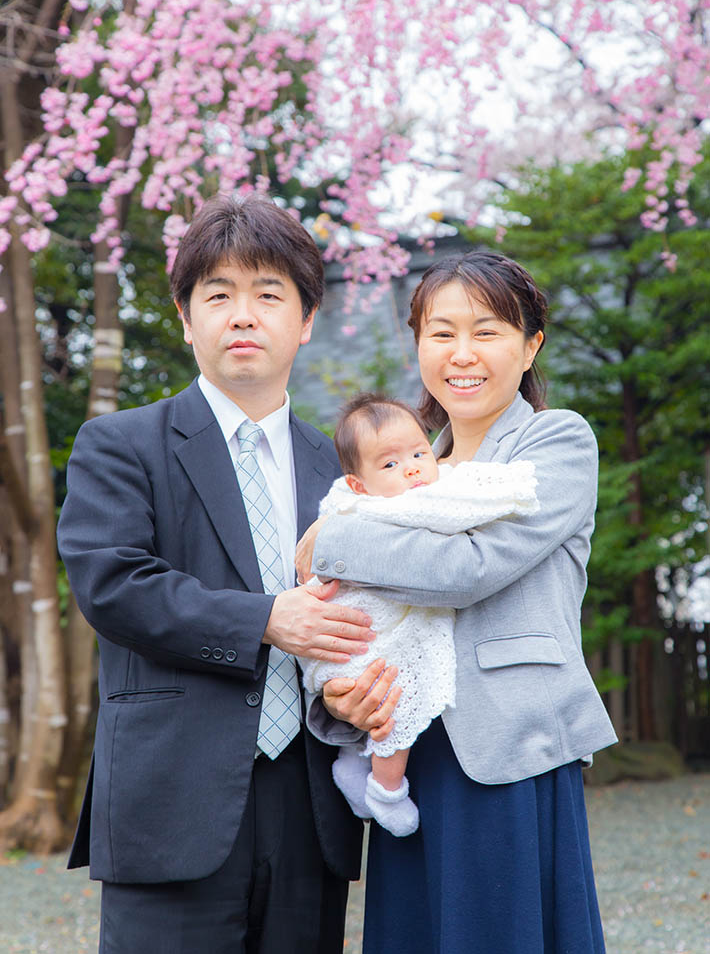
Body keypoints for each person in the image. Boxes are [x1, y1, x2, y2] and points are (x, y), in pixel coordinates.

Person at [56, 193, 377, 954]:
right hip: (171, 800)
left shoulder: (341, 467)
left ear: (304, 320)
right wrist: (265, 618)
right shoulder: (121, 445)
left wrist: (365, 687)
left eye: (268, 295)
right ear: (184, 316)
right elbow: (113, 583)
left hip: (310, 800)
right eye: (218, 295)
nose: (243, 315)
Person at [296, 250, 619, 954]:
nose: (462, 354)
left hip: (507, 748)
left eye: (488, 331)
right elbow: (357, 608)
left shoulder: (552, 442)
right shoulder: (411, 464)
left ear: (530, 344)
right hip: (410, 754)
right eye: (441, 333)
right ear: (417, 345)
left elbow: (466, 568)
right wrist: (343, 698)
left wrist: (332, 540)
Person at [299, 391, 539, 838]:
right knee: (398, 694)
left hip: (375, 629)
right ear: (357, 483)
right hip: (368, 629)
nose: (410, 467)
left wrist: (332, 537)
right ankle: (387, 788)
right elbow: (457, 512)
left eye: (417, 453)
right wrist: (511, 491)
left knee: (381, 694)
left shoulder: (354, 510)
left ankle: (355, 764)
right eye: (389, 464)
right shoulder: (398, 503)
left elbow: (463, 564)